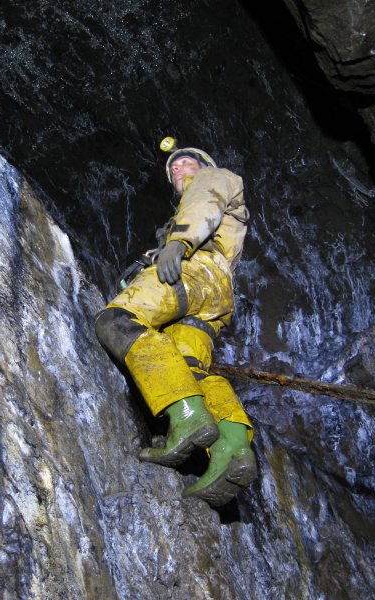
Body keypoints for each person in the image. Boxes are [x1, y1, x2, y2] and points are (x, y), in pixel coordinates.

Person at [94, 138, 257, 506]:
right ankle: (232, 449)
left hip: (194, 272)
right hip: (216, 296)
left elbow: (205, 204)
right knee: (191, 369)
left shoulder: (214, 178)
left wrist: (178, 244)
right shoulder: (207, 213)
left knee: (117, 320)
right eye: (173, 169)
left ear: (204, 164)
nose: (178, 169)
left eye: (185, 162)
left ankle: (185, 416)